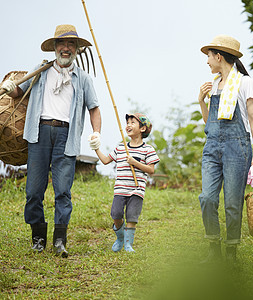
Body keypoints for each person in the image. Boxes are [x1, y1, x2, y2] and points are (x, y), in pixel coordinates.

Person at [0, 24, 101, 257]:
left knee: (63, 191)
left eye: (71, 44)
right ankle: (38, 238)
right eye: (62, 44)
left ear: (76, 49)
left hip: (67, 136)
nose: (66, 48)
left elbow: (94, 108)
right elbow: (18, 92)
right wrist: (9, 87)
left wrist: (96, 132)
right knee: (34, 190)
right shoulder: (41, 70)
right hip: (39, 133)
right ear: (55, 47)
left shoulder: (83, 79)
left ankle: (59, 241)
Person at [198, 35, 253, 262]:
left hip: (238, 146)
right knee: (207, 198)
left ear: (219, 56)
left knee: (233, 203)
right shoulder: (214, 85)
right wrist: (201, 101)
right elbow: (209, 124)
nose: (207, 61)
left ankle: (231, 251)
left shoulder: (245, 82)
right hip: (212, 145)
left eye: (209, 56)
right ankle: (213, 246)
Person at [89, 113, 159, 252]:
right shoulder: (121, 148)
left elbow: (151, 170)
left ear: (143, 129)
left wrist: (135, 163)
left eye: (133, 122)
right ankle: (120, 238)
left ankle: (128, 244)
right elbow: (105, 160)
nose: (128, 125)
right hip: (120, 189)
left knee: (132, 216)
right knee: (115, 214)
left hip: (137, 190)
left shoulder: (148, 149)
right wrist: (96, 147)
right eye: (127, 122)